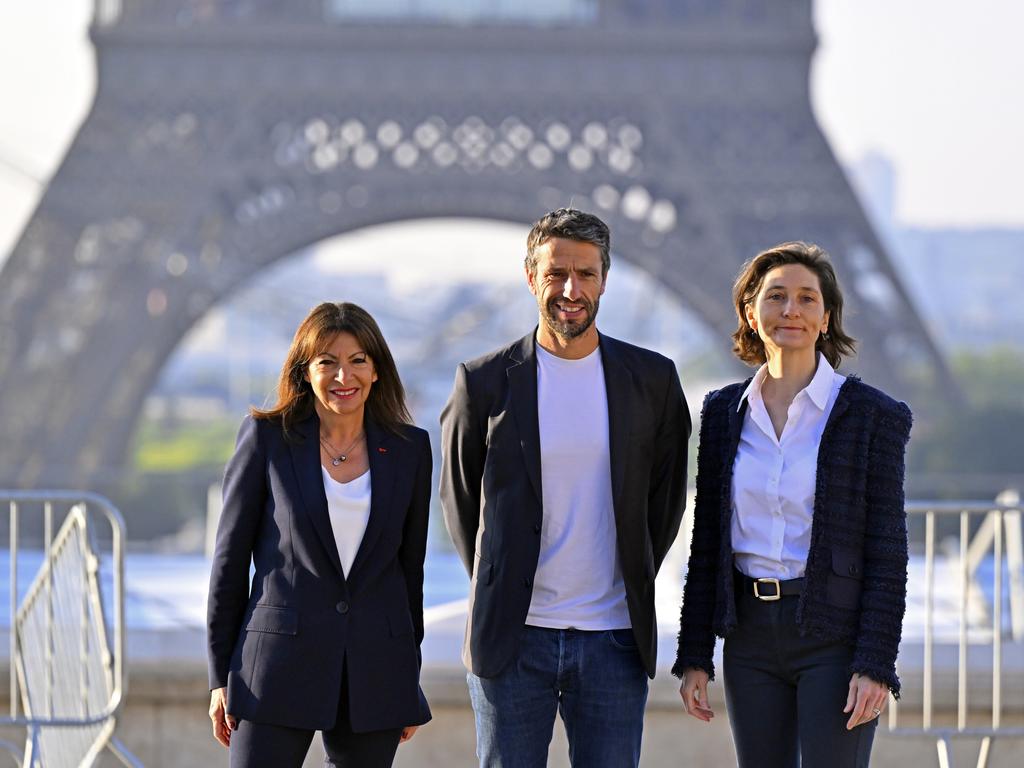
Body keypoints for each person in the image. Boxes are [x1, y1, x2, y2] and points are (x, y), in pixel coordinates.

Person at [440, 208, 690, 768]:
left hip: (614, 638)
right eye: (556, 274)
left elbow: (665, 502)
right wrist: (500, 582)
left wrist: (630, 568)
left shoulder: (653, 381)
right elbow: (458, 502)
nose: (570, 290)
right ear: (531, 277)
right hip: (512, 639)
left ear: (605, 279)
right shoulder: (481, 382)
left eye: (585, 274)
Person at [674, 242, 912, 768]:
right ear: (750, 313)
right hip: (749, 640)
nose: (791, 311)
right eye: (776, 297)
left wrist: (875, 663)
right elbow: (708, 543)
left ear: (826, 318)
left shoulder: (873, 416)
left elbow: (887, 552)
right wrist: (694, 655)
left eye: (807, 299)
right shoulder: (721, 413)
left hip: (833, 637)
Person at [206, 302, 431, 768]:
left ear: (376, 372)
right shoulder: (266, 438)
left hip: (374, 670)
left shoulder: (410, 450)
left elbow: (409, 573)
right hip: (272, 668)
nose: (342, 376)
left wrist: (407, 675)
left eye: (357, 361)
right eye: (327, 361)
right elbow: (229, 565)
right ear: (304, 371)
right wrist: (218, 677)